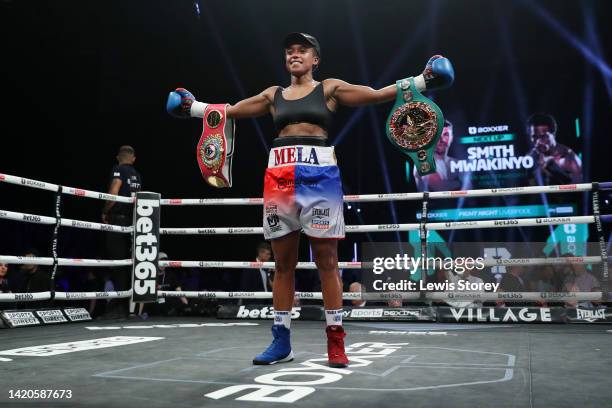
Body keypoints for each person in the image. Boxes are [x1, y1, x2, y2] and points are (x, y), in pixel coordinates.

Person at [167, 32, 453, 367]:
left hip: (321, 179)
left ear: (315, 59)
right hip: (279, 177)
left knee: (327, 262)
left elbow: (376, 95)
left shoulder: (329, 88)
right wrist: (194, 108)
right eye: (289, 51)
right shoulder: (273, 95)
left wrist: (423, 79)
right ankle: (281, 342)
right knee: (283, 264)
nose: (294, 55)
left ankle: (335, 340)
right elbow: (231, 112)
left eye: (302, 50)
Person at [101, 145, 142, 318]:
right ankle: (125, 306)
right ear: (133, 158)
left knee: (117, 264)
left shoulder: (118, 170)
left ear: (119, 157)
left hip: (118, 220)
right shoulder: (137, 175)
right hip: (133, 221)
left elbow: (114, 192)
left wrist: (105, 210)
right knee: (126, 264)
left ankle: (118, 307)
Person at [413, 119, 470, 192]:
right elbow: (442, 189)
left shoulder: (456, 162)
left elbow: (470, 188)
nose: (441, 139)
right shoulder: (423, 161)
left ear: (451, 138)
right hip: (432, 203)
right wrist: (460, 183)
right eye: (437, 135)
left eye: (446, 134)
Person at [527, 113, 582, 185]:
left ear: (553, 134)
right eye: (534, 137)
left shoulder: (569, 157)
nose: (538, 142)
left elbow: (580, 190)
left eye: (543, 136)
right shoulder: (532, 156)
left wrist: (554, 169)